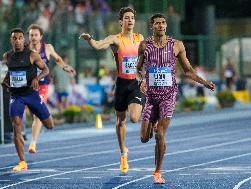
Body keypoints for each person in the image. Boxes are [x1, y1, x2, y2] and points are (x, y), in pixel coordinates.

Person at [136, 14, 215, 184]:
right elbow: (138, 69)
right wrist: (141, 79)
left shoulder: (176, 45)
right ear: (152, 26)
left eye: (163, 23)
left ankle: (157, 172)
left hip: (168, 96)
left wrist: (204, 82)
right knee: (143, 137)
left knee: (160, 134)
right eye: (157, 23)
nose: (161, 26)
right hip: (151, 97)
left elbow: (188, 71)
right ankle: (152, 125)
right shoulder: (144, 46)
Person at [79, 7, 144, 174]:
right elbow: (98, 46)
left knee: (135, 118)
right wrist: (90, 39)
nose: (130, 20)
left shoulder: (140, 38)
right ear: (121, 21)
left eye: (132, 18)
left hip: (136, 84)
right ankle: (123, 153)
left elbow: (148, 55)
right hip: (122, 85)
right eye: (127, 18)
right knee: (120, 121)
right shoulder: (115, 39)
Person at [1, 28, 54, 172]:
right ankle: (22, 161)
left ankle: (45, 116)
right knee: (16, 124)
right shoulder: (7, 56)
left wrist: (37, 78)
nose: (17, 41)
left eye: (20, 38)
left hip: (32, 95)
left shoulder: (32, 55)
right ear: (11, 40)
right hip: (16, 96)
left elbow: (46, 70)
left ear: (24, 40)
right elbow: (8, 74)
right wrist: (5, 81)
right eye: (14, 38)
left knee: (49, 125)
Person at [27, 24, 76, 154]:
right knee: (32, 114)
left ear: (41, 36)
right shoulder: (25, 49)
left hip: (42, 86)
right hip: (28, 87)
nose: (33, 37)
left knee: (37, 115)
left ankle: (33, 143)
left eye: (36, 35)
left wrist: (65, 67)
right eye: (31, 35)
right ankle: (44, 122)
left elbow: (58, 58)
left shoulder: (47, 48)